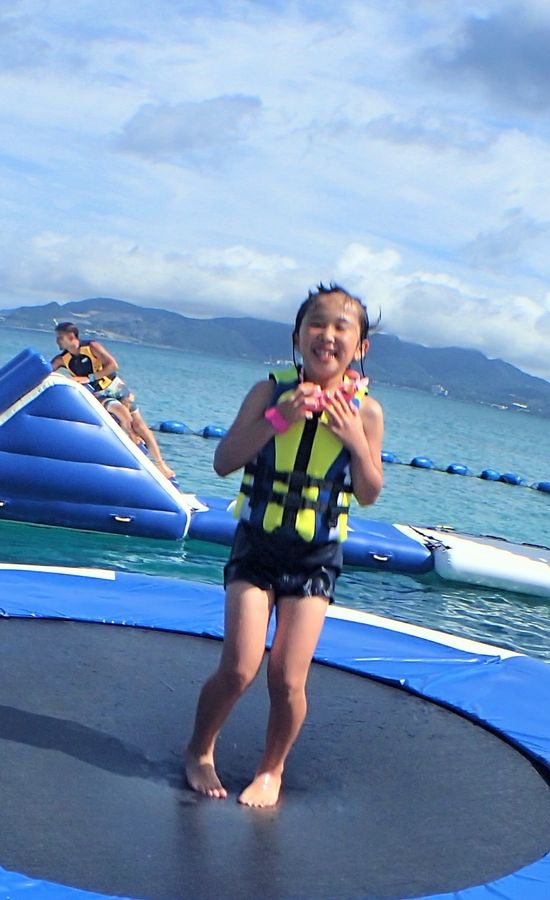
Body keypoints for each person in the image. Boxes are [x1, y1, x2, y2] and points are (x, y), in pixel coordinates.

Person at [184, 283, 384, 807]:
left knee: (288, 680)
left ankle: (271, 770)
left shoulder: (366, 413)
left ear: (360, 347)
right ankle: (199, 751)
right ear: (297, 337)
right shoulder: (267, 395)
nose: (327, 334)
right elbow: (224, 461)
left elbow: (368, 493)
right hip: (257, 547)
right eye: (316, 323)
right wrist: (280, 419)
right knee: (239, 668)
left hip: (315, 558)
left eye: (342, 327)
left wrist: (355, 440)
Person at [51, 323, 174, 479]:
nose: (57, 341)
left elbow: (112, 365)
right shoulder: (62, 359)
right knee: (121, 413)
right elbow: (46, 370)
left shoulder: (92, 347)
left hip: (117, 387)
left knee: (140, 425)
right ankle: (132, 439)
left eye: (60, 338)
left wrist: (89, 378)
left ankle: (161, 464)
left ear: (71, 337)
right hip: (99, 394)